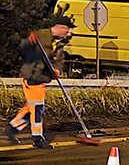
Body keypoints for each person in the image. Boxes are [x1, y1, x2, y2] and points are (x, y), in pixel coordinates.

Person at [4, 15, 76, 149]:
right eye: (67, 31)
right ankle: (37, 139)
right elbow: (23, 46)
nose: (67, 35)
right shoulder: (41, 35)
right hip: (31, 76)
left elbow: (59, 61)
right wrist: (30, 42)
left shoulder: (59, 44)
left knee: (32, 107)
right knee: (37, 108)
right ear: (60, 28)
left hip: (42, 79)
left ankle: (12, 128)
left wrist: (57, 70)